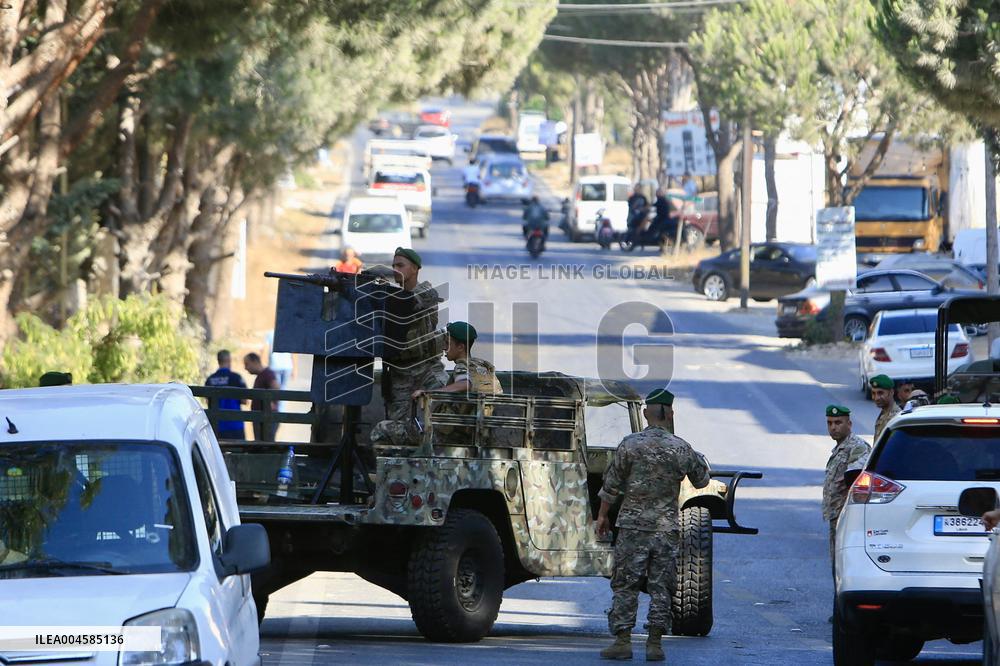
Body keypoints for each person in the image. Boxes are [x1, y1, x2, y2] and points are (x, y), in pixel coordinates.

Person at [596, 388, 711, 662]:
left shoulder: (629, 444)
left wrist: (601, 517)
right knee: (662, 587)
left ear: (646, 413)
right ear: (670, 414)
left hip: (632, 528)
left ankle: (622, 642)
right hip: (665, 530)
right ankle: (655, 644)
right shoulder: (682, 448)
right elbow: (703, 482)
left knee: (626, 584)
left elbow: (610, 486)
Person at [372, 321, 500, 448]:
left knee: (382, 429)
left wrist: (430, 393)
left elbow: (465, 384)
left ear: (461, 347)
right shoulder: (483, 368)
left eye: (448, 344)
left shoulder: (462, 366)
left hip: (443, 438)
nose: (444, 348)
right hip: (471, 437)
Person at [384, 247, 448, 422]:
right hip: (401, 371)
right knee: (397, 423)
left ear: (415, 268)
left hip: (427, 368)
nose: (395, 270)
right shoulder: (393, 297)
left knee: (448, 406)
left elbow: (408, 303)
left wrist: (379, 292)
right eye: (393, 266)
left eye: (400, 265)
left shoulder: (426, 293)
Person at [821, 405, 870, 580]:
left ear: (849, 424)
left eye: (838, 422)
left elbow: (855, 480)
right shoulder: (840, 449)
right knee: (836, 566)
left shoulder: (857, 447)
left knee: (844, 569)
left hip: (848, 518)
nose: (833, 427)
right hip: (837, 517)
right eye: (830, 423)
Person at [205, 350, 247, 440]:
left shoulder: (210, 379)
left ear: (218, 360)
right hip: (235, 425)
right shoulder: (236, 378)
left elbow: (208, 401)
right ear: (229, 360)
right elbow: (244, 400)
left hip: (216, 426)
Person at [244, 352, 280, 441]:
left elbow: (276, 387)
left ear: (255, 361)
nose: (246, 368)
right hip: (260, 418)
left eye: (247, 364)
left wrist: (271, 402)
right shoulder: (261, 376)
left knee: (266, 445)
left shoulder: (267, 374)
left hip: (266, 418)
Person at [870, 374, 900, 443]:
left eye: (880, 393)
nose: (876, 398)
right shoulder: (884, 413)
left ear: (891, 392)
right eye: (873, 393)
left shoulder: (895, 418)